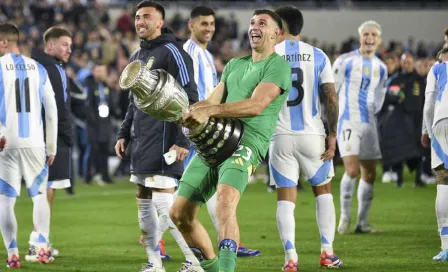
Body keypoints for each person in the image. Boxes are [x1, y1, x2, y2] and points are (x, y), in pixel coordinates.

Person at [170, 9, 291, 272]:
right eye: (251, 22)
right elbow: (212, 100)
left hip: (247, 143)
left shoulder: (278, 66)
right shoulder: (235, 64)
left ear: (276, 33)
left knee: (225, 201)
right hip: (216, 140)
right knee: (178, 213)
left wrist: (210, 111)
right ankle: (212, 268)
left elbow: (256, 105)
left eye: (262, 23)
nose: (254, 27)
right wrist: (185, 112)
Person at [114, 1, 198, 272]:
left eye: (147, 17)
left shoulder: (174, 52)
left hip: (165, 137)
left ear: (160, 22)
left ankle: (194, 261)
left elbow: (190, 97)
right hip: (141, 139)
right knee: (143, 198)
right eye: (137, 17)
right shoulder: (137, 55)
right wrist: (124, 133)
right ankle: (154, 264)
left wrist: (183, 139)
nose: (140, 21)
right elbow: (132, 102)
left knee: (165, 203)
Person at [182, 5, 260, 258]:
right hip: (196, 128)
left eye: (212, 24)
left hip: (209, 126)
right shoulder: (187, 53)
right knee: (185, 192)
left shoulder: (205, 54)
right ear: (191, 25)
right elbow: (188, 94)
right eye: (203, 24)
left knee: (213, 188)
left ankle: (229, 242)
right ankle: (158, 241)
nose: (209, 29)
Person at [269, 6, 343, 271]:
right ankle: (327, 253)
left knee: (285, 198)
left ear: (280, 27)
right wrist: (332, 135)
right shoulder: (318, 54)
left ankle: (290, 258)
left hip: (279, 137)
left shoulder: (268, 55)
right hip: (313, 135)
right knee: (323, 192)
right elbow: (331, 98)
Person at [0, 22, 58, 268]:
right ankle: (42, 247)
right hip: (35, 142)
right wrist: (52, 146)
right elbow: (52, 109)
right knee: (39, 196)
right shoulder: (38, 68)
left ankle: (12, 252)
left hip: (5, 142)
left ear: (4, 42)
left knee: (5, 200)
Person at [333, 20, 388, 234]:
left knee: (370, 174)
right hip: (348, 120)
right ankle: (345, 218)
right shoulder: (345, 61)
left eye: (374, 34)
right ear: (360, 37)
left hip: (369, 124)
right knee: (352, 170)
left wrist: (373, 114)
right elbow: (332, 90)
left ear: (379, 40)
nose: (370, 38)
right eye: (366, 34)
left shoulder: (381, 68)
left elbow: (380, 96)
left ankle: (362, 223)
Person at [24, 26, 74, 261]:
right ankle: (36, 245)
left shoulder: (44, 66)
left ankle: (42, 239)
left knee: (47, 191)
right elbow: (54, 109)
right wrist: (59, 137)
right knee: (45, 191)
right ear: (50, 45)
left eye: (71, 46)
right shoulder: (50, 68)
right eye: (64, 44)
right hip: (49, 137)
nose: (69, 50)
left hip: (45, 135)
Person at [378, 53, 425, 188]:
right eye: (405, 62)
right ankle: (399, 180)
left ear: (414, 63)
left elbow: (425, 100)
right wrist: (396, 98)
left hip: (417, 120)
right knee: (400, 150)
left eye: (409, 62)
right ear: (401, 64)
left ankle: (418, 179)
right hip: (400, 120)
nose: (407, 65)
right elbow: (389, 97)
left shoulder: (421, 81)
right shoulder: (395, 80)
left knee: (418, 150)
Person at [423, 47, 448, 261]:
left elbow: (429, 103)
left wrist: (428, 131)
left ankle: (446, 245)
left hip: (442, 122)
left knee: (443, 179)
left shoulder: (437, 69)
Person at [84, 62, 114, 185]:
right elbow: (87, 105)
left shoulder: (106, 86)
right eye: (98, 71)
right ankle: (89, 176)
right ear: (93, 72)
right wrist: (93, 120)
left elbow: (111, 103)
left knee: (105, 149)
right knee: (93, 149)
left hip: (105, 122)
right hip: (93, 123)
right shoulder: (89, 85)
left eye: (103, 71)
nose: (101, 73)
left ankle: (105, 175)